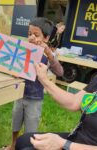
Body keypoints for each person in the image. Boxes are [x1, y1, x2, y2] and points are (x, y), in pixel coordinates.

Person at [15, 17, 97, 150]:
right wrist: (44, 79)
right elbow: (74, 102)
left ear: (46, 37)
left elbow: (59, 71)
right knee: (23, 141)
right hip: (79, 138)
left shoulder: (47, 51)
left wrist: (63, 144)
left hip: (81, 145)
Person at [4, 17, 64, 150]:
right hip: (19, 95)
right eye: (29, 34)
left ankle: (27, 147)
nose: (31, 37)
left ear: (46, 38)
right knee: (15, 123)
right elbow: (14, 68)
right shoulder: (23, 50)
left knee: (31, 130)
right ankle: (13, 144)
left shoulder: (48, 54)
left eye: (36, 35)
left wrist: (48, 52)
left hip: (35, 99)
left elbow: (60, 72)